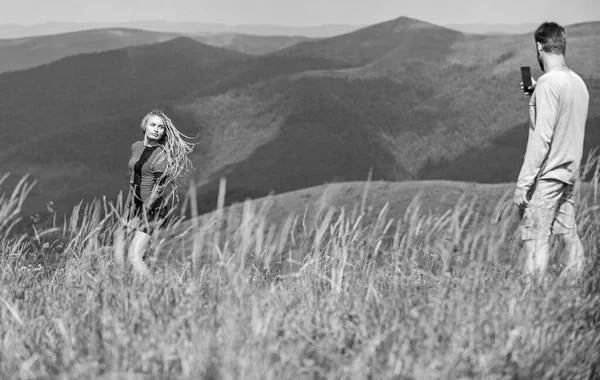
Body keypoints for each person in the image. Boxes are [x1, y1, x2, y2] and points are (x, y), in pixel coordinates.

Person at [515, 22, 589, 280]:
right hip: (570, 173)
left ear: (539, 46)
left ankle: (532, 296)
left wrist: (523, 183)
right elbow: (565, 120)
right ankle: (576, 288)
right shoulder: (578, 82)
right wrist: (537, 92)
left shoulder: (548, 84)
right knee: (569, 234)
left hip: (549, 175)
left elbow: (541, 138)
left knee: (535, 237)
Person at [123, 109, 195, 277]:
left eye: (161, 127)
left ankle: (155, 291)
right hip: (138, 206)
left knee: (134, 256)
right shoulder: (136, 147)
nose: (156, 129)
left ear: (164, 131)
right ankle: (146, 291)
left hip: (154, 210)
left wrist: (138, 218)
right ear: (145, 126)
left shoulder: (161, 156)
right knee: (140, 256)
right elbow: (134, 181)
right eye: (153, 125)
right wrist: (128, 210)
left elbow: (158, 190)